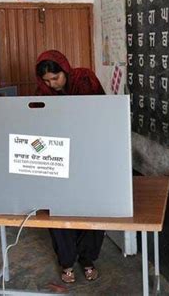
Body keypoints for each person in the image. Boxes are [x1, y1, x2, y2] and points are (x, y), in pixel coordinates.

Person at [35, 50, 105, 283]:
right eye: (46, 81)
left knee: (92, 209)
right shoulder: (41, 94)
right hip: (59, 162)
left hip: (91, 157)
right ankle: (66, 261)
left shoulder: (85, 80)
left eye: (55, 78)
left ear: (65, 70)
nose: (51, 84)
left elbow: (101, 114)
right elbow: (38, 128)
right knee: (60, 211)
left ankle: (88, 259)